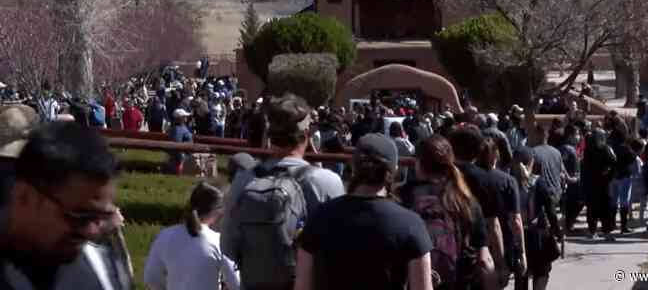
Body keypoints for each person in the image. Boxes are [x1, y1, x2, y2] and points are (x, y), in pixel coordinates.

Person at [222, 93, 344, 290]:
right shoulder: (327, 181)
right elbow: (339, 251)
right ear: (306, 135)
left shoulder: (244, 178)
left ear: (270, 136)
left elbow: (227, 246)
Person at [295, 133, 434, 290]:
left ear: (353, 167)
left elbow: (302, 285)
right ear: (394, 170)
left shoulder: (320, 216)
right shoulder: (411, 223)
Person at [0, 121, 130, 289]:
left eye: (99, 217)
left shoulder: (100, 268)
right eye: (78, 217)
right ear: (24, 197)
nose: (92, 231)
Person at [399, 135, 495, 290]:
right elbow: (484, 259)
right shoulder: (465, 201)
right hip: (458, 283)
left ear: (419, 163)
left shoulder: (403, 197)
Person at [449, 126, 524, 288]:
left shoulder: (440, 175)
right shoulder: (484, 180)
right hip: (472, 259)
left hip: (440, 259)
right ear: (477, 151)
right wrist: (500, 263)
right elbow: (492, 225)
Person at [145, 182, 240, 290]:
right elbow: (236, 284)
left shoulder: (165, 236)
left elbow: (151, 277)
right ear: (218, 212)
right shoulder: (218, 241)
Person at [511, 147, 559, 290]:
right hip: (538, 235)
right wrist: (557, 231)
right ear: (531, 162)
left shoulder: (508, 182)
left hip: (517, 236)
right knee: (542, 271)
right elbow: (551, 210)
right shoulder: (539, 183)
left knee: (521, 274)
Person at [581, 128, 617, 241]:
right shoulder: (591, 150)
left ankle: (603, 232)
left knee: (602, 208)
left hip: (601, 184)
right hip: (596, 184)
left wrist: (608, 172)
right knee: (595, 209)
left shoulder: (604, 149)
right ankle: (595, 231)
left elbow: (613, 163)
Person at [530, 125, 564, 242]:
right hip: (556, 192)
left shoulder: (533, 152)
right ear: (547, 136)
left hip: (542, 194)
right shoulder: (557, 152)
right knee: (550, 214)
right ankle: (557, 233)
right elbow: (561, 172)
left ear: (538, 135)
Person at [610, 126, 636, 234]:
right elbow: (633, 158)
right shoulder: (626, 148)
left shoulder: (610, 148)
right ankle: (623, 226)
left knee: (613, 201)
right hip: (624, 177)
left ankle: (612, 224)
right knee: (624, 202)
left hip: (613, 177)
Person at [559, 124, 583, 233]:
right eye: (577, 134)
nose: (579, 137)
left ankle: (570, 223)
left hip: (576, 179)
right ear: (570, 136)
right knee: (574, 203)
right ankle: (569, 225)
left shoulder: (573, 148)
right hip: (571, 181)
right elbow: (561, 164)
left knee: (577, 202)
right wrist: (568, 178)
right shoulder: (566, 148)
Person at [167, 109, 193, 175]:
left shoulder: (180, 127)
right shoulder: (178, 129)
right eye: (184, 116)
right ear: (180, 118)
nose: (186, 117)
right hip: (182, 157)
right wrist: (181, 159)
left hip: (185, 155)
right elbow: (177, 145)